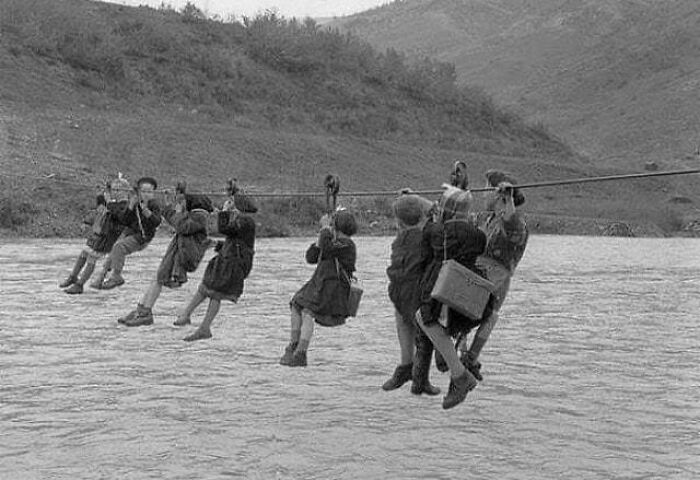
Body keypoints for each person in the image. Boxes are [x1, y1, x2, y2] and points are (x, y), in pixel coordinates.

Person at [415, 186, 488, 409]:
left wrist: (416, 199)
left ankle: (459, 375)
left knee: (424, 318)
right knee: (442, 326)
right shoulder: (477, 234)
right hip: (471, 291)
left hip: (445, 289)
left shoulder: (439, 231)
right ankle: (455, 368)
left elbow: (428, 235)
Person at [457, 170, 528, 380]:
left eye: (487, 188)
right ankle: (462, 354)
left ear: (498, 195)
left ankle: (470, 358)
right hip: (477, 275)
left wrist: (507, 199)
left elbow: (512, 227)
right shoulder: (487, 219)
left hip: (495, 281)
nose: (483, 193)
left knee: (489, 315)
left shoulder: (515, 222)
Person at [117, 190, 215, 327]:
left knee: (159, 279)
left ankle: (145, 313)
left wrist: (172, 208)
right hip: (176, 252)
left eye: (184, 201)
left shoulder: (199, 217)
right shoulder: (193, 215)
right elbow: (177, 222)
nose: (183, 203)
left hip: (181, 256)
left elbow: (181, 226)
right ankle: (141, 309)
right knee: (157, 278)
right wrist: (171, 206)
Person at [280, 209, 358, 367]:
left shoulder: (347, 244)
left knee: (308, 313)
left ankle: (301, 352)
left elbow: (329, 249)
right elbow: (311, 257)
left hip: (332, 287)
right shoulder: (329, 240)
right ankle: (294, 344)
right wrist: (319, 239)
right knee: (296, 304)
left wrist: (324, 229)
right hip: (319, 283)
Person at [381, 192, 441, 395]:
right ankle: (419, 378)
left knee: (407, 324)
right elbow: (432, 211)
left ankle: (409, 369)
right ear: (422, 216)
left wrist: (409, 201)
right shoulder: (425, 234)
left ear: (398, 221)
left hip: (401, 293)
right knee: (426, 335)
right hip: (418, 294)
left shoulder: (401, 238)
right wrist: (417, 200)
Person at [179, 203, 257, 341]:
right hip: (225, 262)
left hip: (233, 266)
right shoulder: (241, 221)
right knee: (205, 288)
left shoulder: (246, 221)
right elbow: (233, 240)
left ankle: (204, 327)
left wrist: (224, 213)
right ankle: (186, 315)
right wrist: (217, 245)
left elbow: (225, 230)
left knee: (216, 293)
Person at [92, 177, 162, 290]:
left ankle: (116, 276)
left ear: (153, 192)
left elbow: (156, 222)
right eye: (143, 191)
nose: (146, 194)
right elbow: (125, 220)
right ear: (139, 192)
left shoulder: (154, 205)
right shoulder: (134, 201)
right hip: (130, 232)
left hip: (143, 236)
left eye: (149, 192)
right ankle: (101, 276)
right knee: (114, 251)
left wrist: (145, 210)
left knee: (119, 247)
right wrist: (130, 206)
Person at [59, 184, 127, 294]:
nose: (114, 192)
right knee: (84, 253)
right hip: (98, 233)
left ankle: (80, 285)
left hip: (107, 236)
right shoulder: (113, 203)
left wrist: (109, 201)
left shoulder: (124, 206)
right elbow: (101, 208)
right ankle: (73, 276)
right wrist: (103, 193)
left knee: (92, 258)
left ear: (124, 192)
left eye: (117, 190)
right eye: (113, 190)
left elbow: (116, 214)